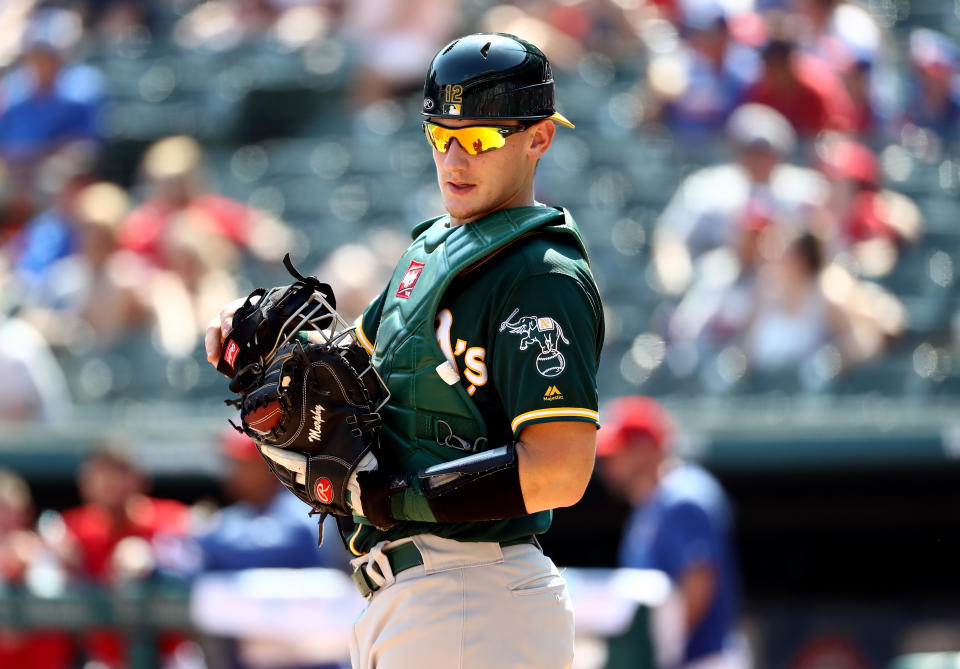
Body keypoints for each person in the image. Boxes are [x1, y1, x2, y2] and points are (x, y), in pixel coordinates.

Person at [206, 33, 604, 669]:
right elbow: (356, 361)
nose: (454, 156)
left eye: (478, 138)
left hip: (474, 594)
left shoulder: (539, 273)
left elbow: (561, 469)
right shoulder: (430, 251)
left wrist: (396, 496)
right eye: (439, 135)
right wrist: (266, 339)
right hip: (416, 598)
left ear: (539, 138)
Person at [596, 396, 743, 669]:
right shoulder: (649, 504)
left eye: (618, 452)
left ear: (646, 449)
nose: (608, 464)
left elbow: (698, 581)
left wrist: (656, 653)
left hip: (700, 660)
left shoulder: (683, 496)